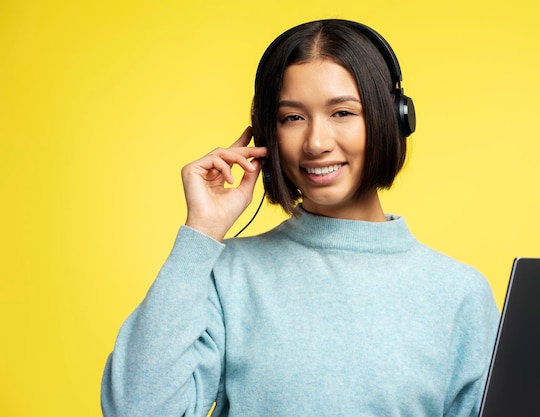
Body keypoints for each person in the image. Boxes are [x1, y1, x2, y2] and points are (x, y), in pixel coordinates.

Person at [101, 19, 500, 417]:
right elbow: (135, 410)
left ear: (391, 118)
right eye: (293, 118)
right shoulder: (226, 274)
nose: (317, 143)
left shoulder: (459, 293)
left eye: (342, 112)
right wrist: (200, 234)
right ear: (267, 136)